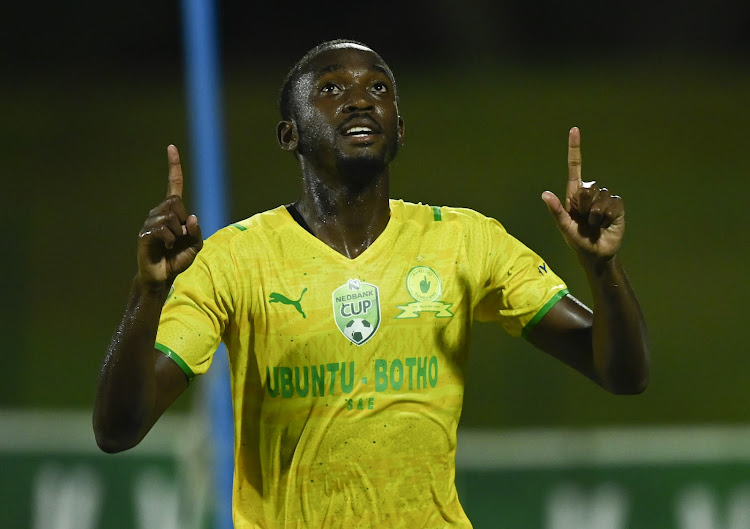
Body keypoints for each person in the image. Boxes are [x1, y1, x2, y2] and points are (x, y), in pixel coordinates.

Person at [93, 39, 649, 528]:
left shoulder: (466, 241)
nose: (360, 99)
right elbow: (119, 429)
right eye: (331, 88)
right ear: (289, 135)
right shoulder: (235, 258)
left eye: (378, 87)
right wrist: (148, 292)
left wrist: (602, 269)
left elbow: (622, 373)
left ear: (399, 129)